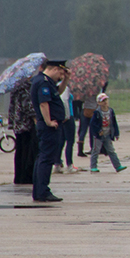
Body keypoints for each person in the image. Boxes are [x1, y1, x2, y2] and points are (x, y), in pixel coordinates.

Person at [30, 59, 70, 202]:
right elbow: (43, 103)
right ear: (53, 69)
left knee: (43, 158)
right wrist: (48, 121)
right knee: (46, 159)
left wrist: (66, 80)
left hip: (49, 125)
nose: (60, 76)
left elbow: (57, 92)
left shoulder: (47, 81)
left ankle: (40, 190)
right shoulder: (43, 83)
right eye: (60, 73)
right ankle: (42, 191)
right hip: (49, 127)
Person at [8, 71, 39, 185]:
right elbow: (27, 106)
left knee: (19, 151)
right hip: (26, 123)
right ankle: (25, 177)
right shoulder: (26, 88)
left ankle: (18, 177)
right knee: (27, 151)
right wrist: (35, 117)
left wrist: (11, 122)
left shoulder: (14, 88)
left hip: (18, 123)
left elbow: (11, 106)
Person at [89, 93, 126, 173]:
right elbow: (93, 124)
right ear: (99, 103)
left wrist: (116, 133)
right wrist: (98, 131)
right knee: (96, 150)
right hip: (99, 136)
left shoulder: (111, 111)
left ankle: (117, 165)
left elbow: (114, 122)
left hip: (108, 134)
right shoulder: (97, 113)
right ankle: (93, 166)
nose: (105, 102)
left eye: (106, 100)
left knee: (111, 150)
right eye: (103, 101)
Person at [58, 85, 80, 173]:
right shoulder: (64, 87)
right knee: (70, 141)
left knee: (61, 141)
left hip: (62, 116)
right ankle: (69, 164)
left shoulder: (57, 86)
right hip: (68, 116)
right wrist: (66, 115)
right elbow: (64, 101)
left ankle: (57, 162)